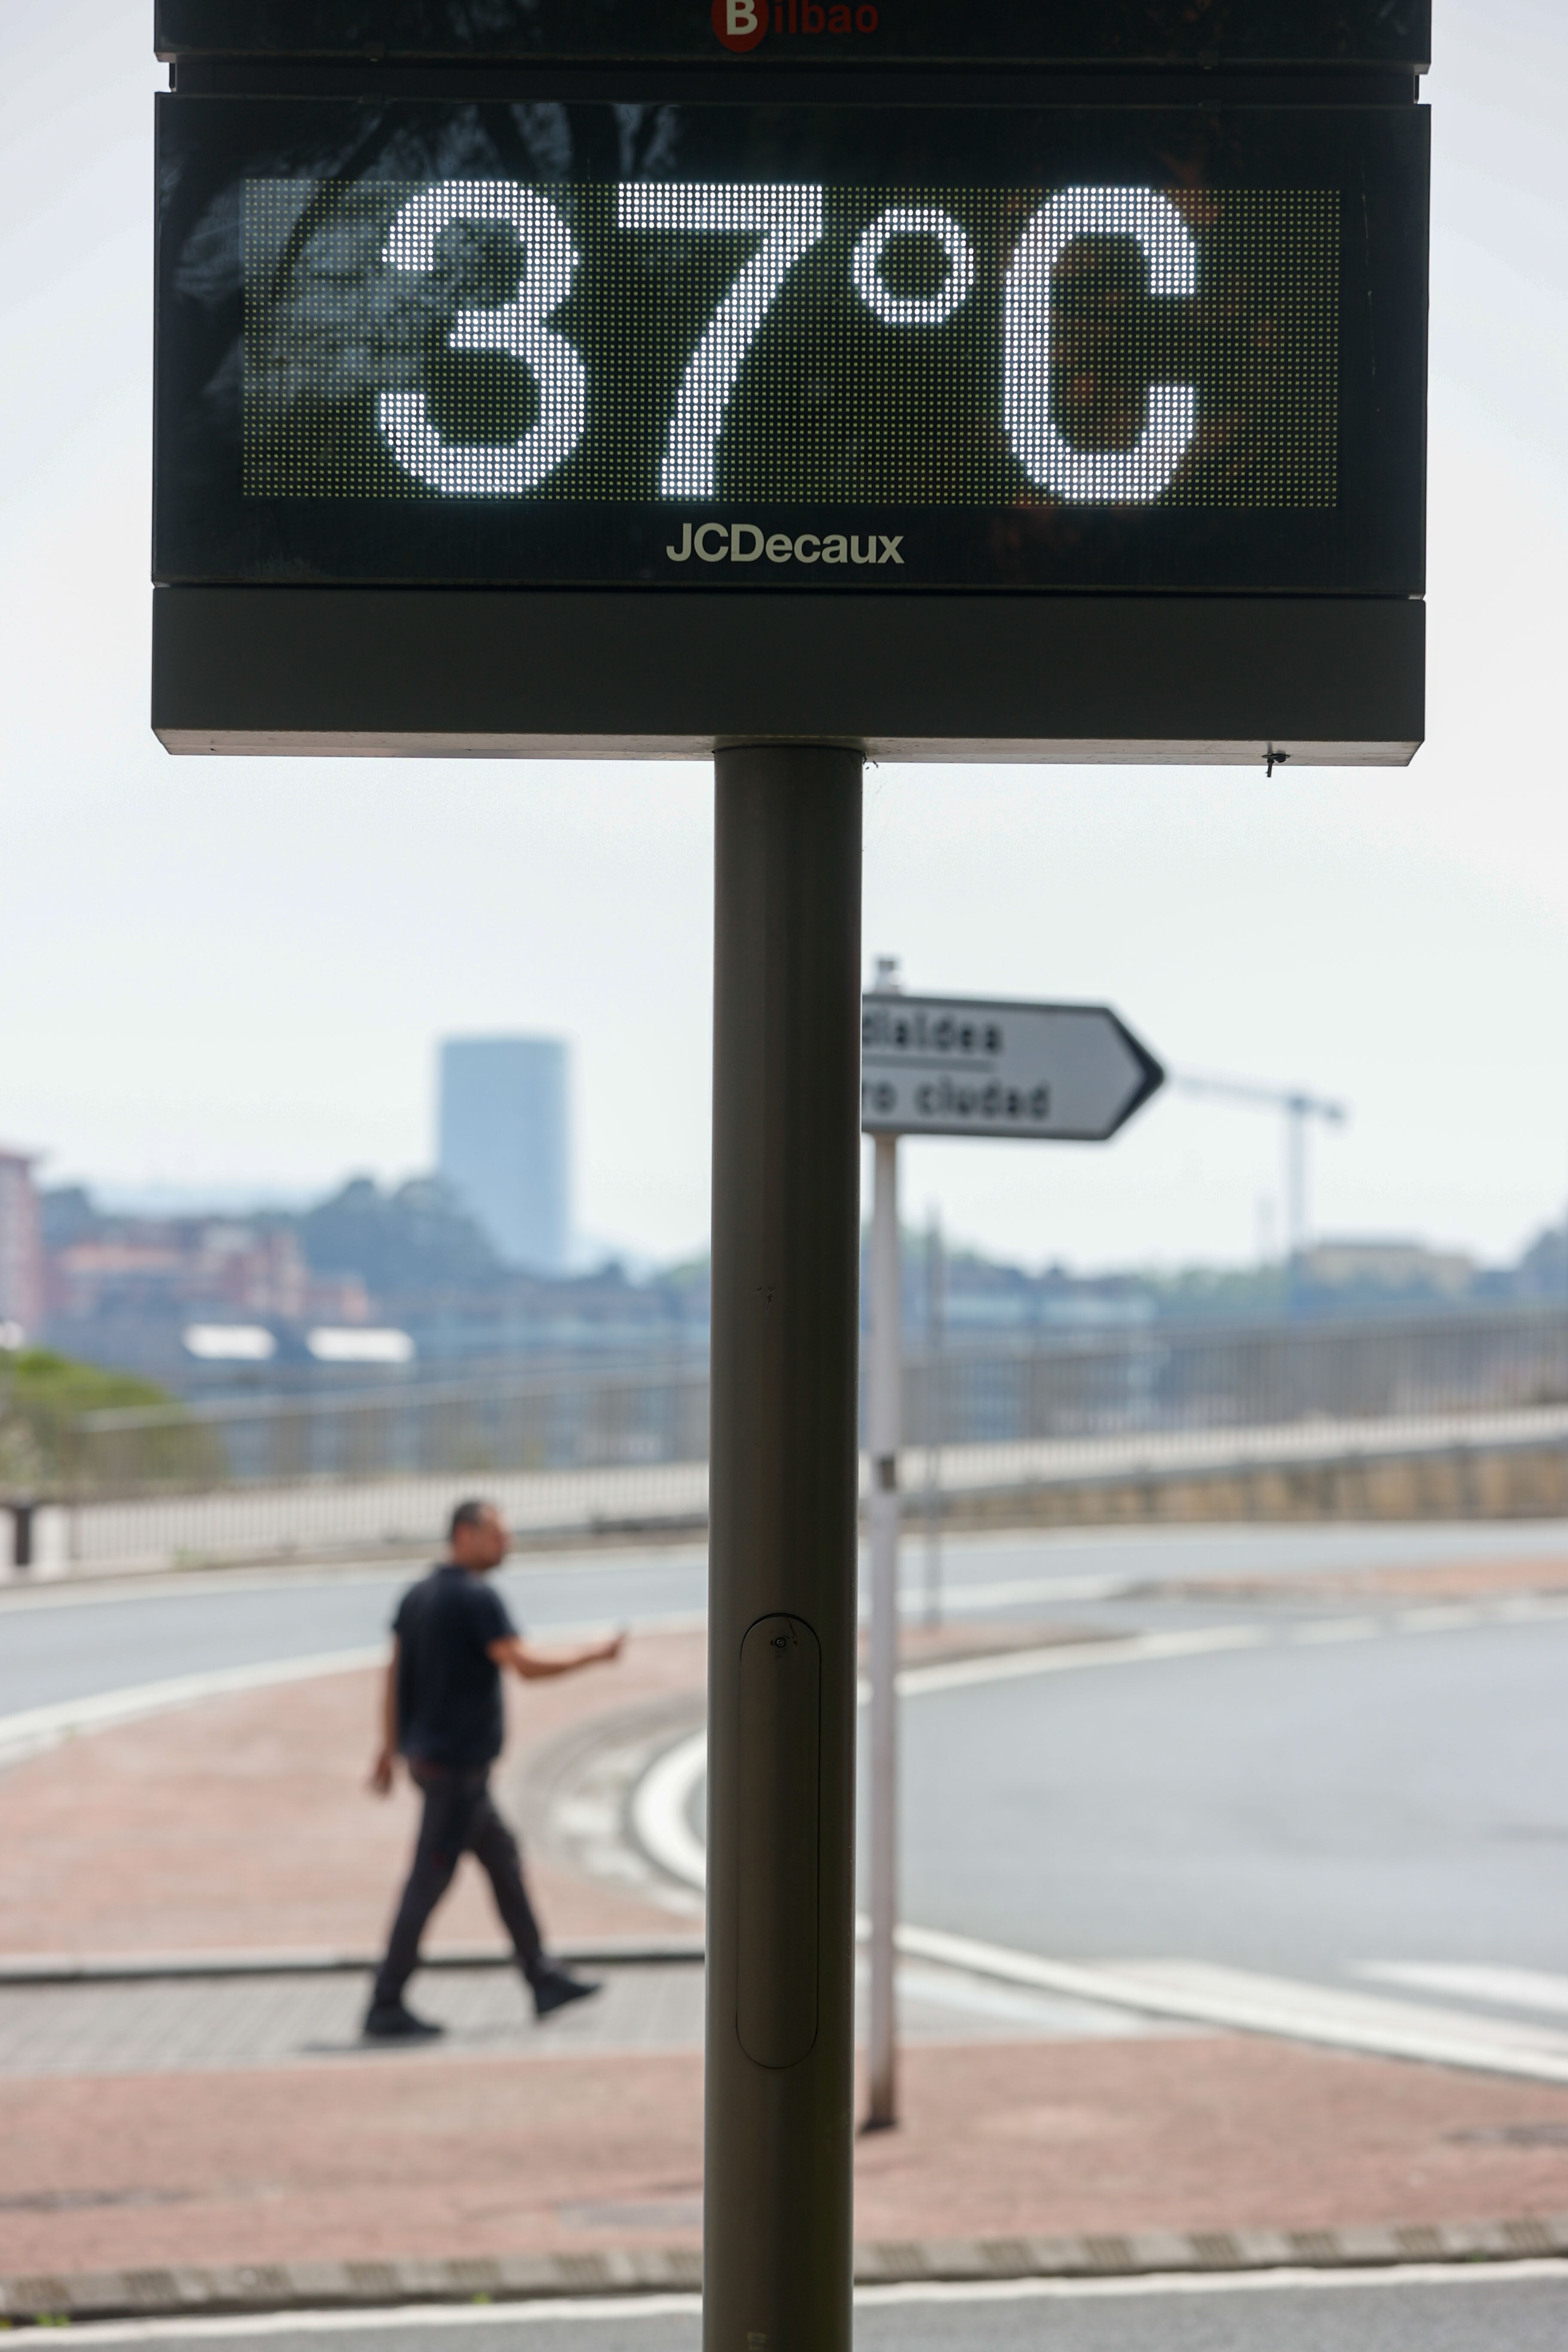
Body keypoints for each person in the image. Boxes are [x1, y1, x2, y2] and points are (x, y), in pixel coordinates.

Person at [364, 1497, 624, 2041]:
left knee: (503, 1864)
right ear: (465, 1535)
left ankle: (542, 1977)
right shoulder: (475, 1599)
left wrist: (388, 1750)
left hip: (439, 1765)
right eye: (497, 1535)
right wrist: (594, 1656)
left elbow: (393, 1677)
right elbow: (524, 1665)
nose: (506, 1545)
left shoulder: (417, 1595)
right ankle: (386, 2002)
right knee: (426, 1884)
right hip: (454, 1770)